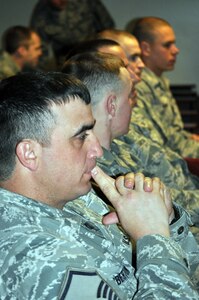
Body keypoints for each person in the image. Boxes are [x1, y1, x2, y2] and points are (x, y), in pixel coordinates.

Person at [0, 71, 198, 299]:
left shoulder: (74, 196)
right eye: (82, 136)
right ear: (29, 154)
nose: (97, 150)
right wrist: (153, 236)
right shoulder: (34, 258)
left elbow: (187, 267)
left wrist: (166, 218)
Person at [62, 37, 199, 234]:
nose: (133, 103)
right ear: (112, 105)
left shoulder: (118, 146)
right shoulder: (93, 167)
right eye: (130, 96)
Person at [129, 17, 199, 158]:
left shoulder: (159, 81)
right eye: (167, 45)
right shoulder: (140, 87)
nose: (176, 50)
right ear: (146, 49)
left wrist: (189, 137)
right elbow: (165, 143)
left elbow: (173, 130)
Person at [30, 0, 115, 70]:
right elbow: (40, 47)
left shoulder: (87, 2)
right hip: (65, 59)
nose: (60, 1)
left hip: (92, 54)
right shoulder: (41, 11)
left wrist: (108, 53)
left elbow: (107, 27)